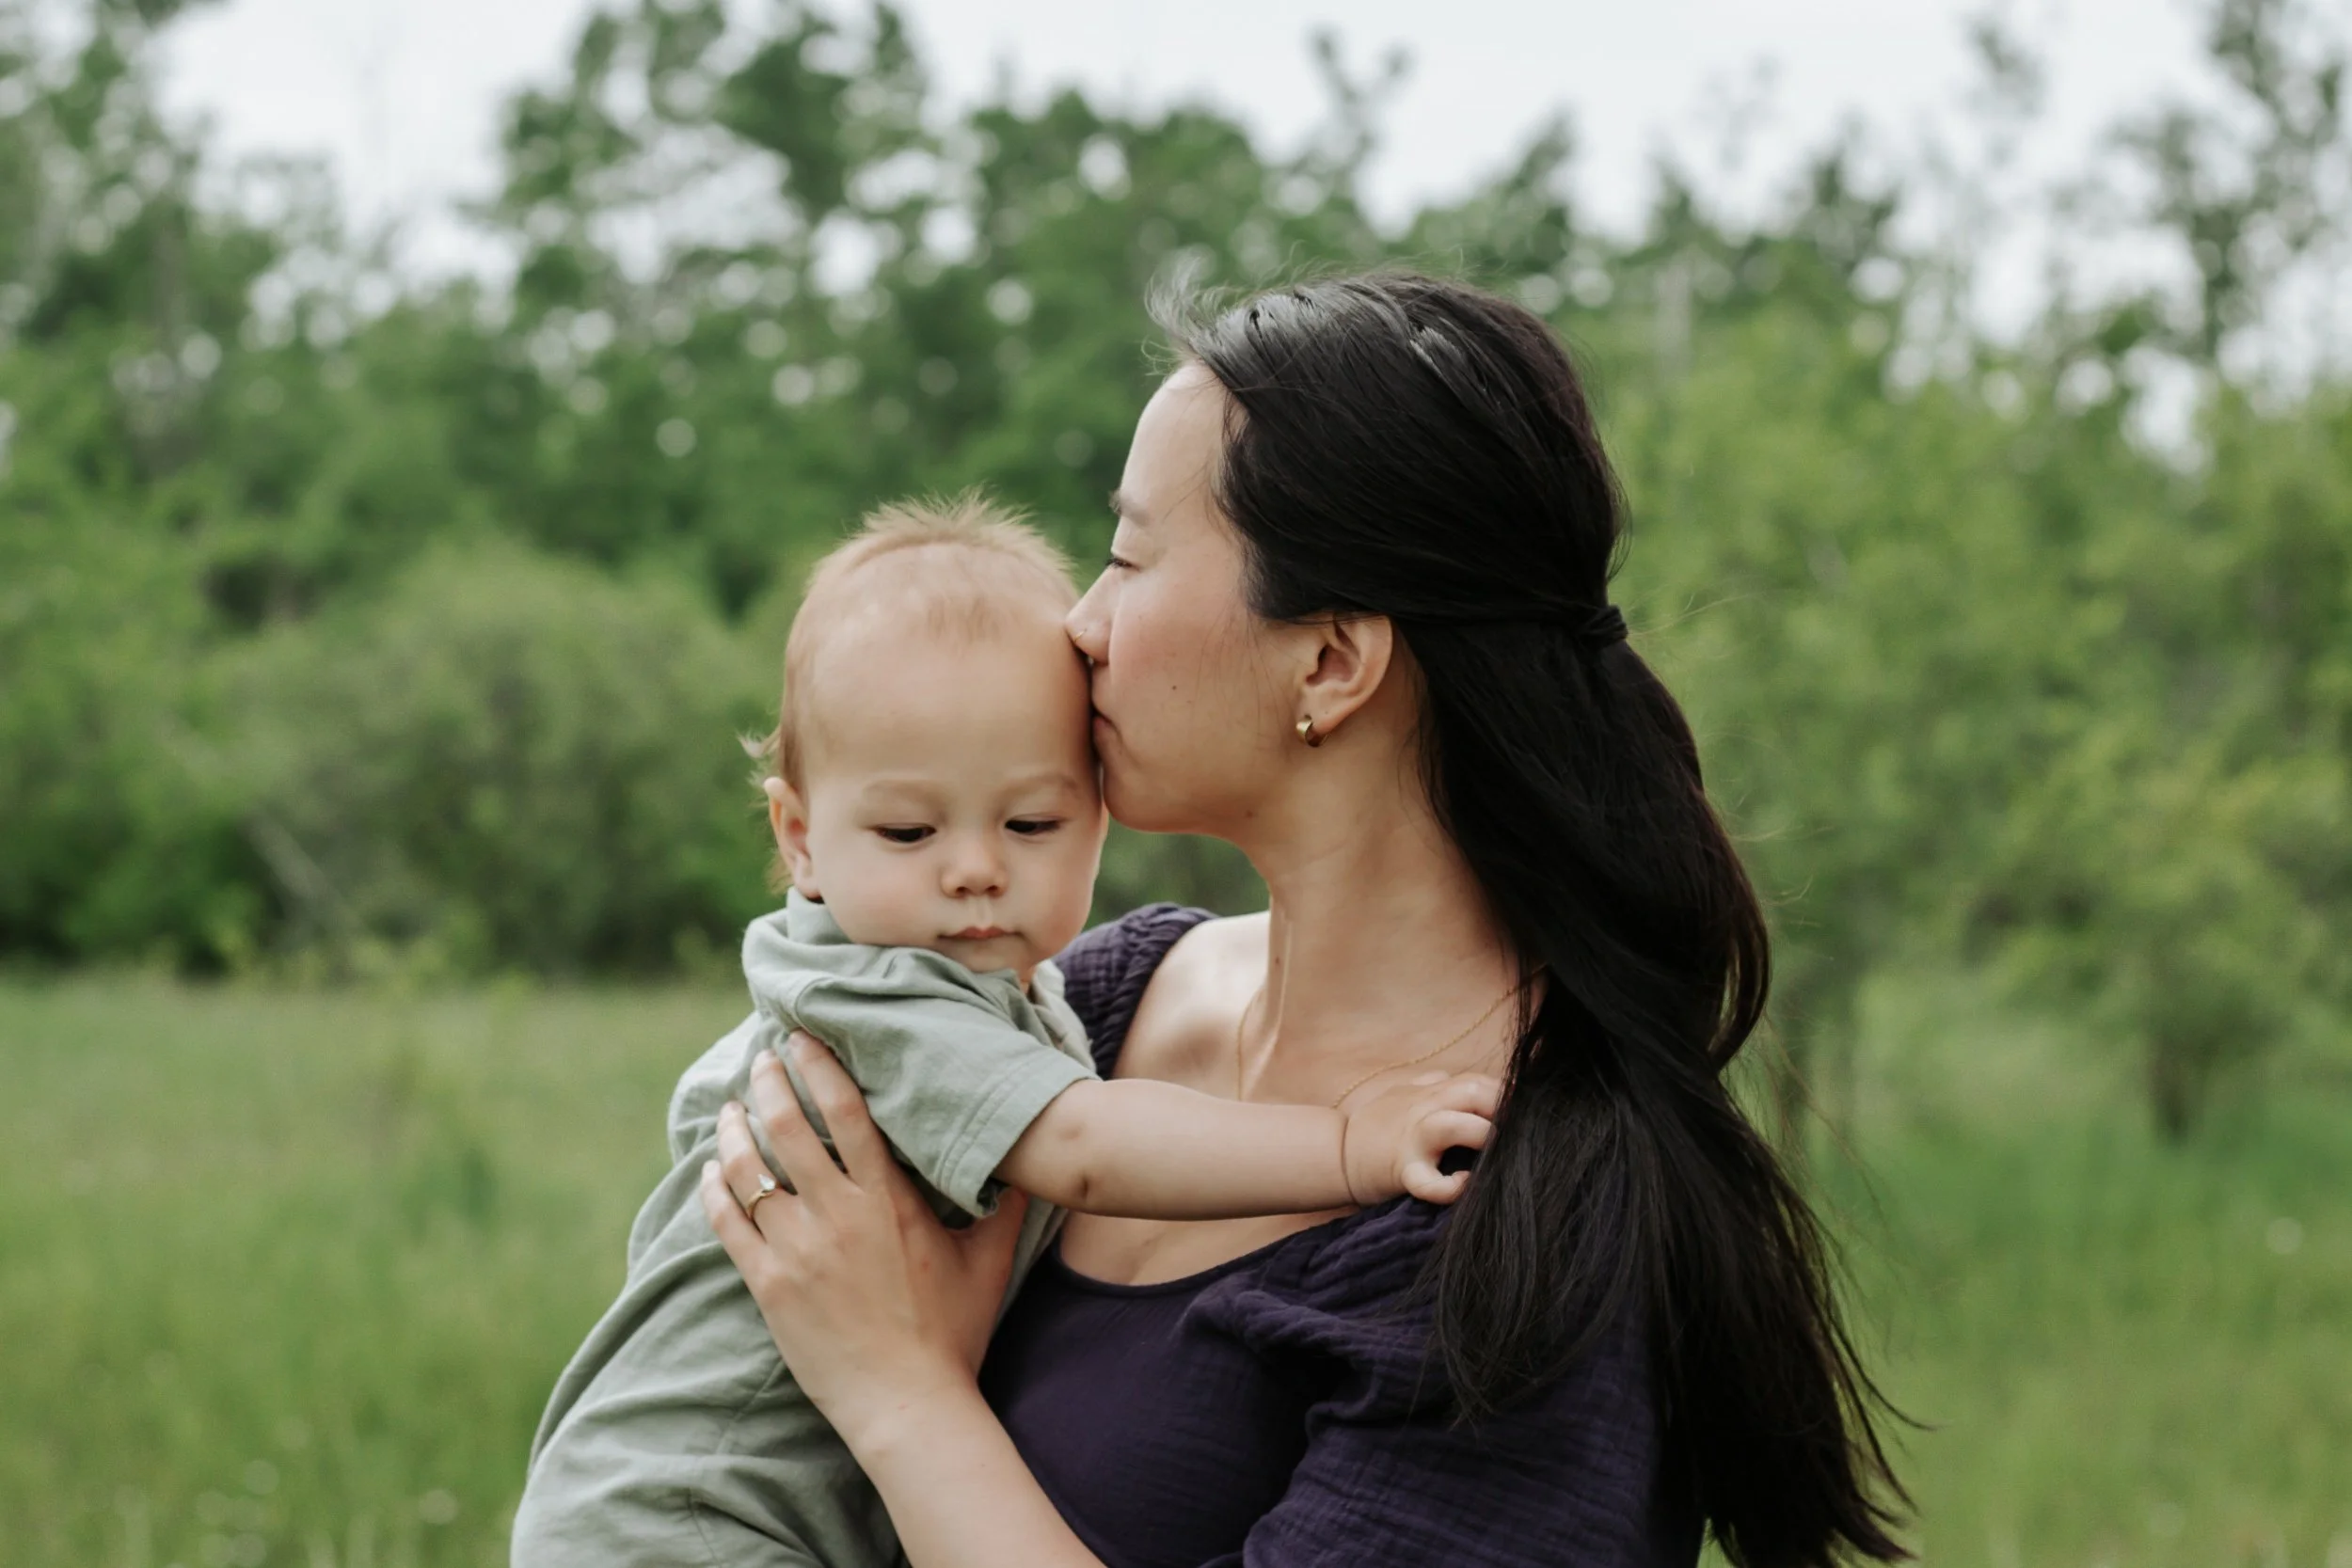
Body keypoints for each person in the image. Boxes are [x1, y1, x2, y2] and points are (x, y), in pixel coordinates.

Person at [700, 274, 1912, 1568]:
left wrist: (899, 1392)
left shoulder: (1523, 1215)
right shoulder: (1092, 997)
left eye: (1127, 555)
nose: (1082, 621)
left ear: (1329, 662)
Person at [511, 496, 1498, 1568]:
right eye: (906, 829)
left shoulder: (950, 986)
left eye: (1031, 823)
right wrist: (1347, 1142)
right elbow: (1083, 1144)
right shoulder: (888, 996)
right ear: (797, 837)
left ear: (1097, 816)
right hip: (692, 1516)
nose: (974, 866)